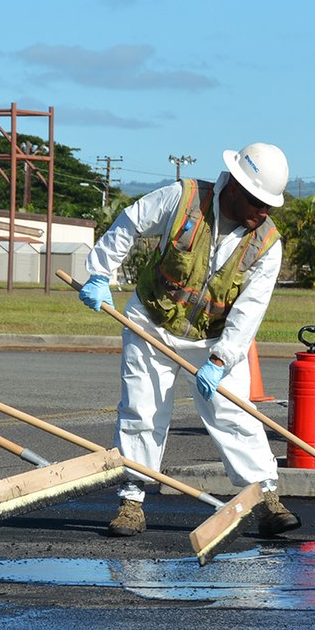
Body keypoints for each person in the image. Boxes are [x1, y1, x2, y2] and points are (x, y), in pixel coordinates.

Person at [78, 142, 301, 538]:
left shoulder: (267, 244)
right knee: (142, 410)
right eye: (257, 202)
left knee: (236, 415)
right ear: (233, 185)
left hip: (212, 339)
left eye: (269, 206)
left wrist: (220, 362)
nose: (263, 213)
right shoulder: (183, 199)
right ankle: (132, 501)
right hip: (152, 320)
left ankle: (267, 499)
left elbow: (249, 312)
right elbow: (130, 222)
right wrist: (99, 273)